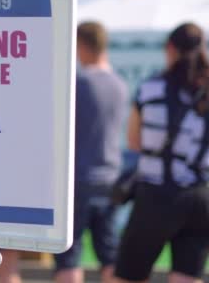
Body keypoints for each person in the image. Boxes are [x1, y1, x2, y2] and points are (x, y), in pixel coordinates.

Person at [114, 22, 209, 283]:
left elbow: (134, 141)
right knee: (186, 277)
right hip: (200, 197)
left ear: (170, 49)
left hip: (157, 194)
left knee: (128, 276)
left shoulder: (152, 88)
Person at [54, 21, 128, 283]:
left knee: (68, 255)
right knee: (109, 256)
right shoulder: (120, 85)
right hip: (109, 178)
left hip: (77, 179)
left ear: (82, 45)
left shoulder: (79, 84)